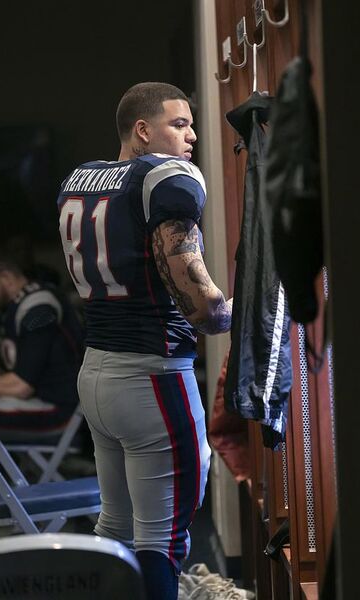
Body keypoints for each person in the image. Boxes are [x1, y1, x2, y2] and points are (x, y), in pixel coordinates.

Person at [57, 82, 232, 600]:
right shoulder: (165, 178)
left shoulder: (81, 179)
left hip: (96, 373)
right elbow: (202, 308)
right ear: (142, 130)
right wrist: (249, 308)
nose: (192, 136)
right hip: (152, 376)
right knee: (162, 537)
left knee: (115, 527)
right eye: (179, 124)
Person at [0, 244, 84, 544]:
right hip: (38, 404)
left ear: (6, 277)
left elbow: (20, 385)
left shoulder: (39, 308)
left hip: (57, 413)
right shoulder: (16, 305)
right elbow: (1, 368)